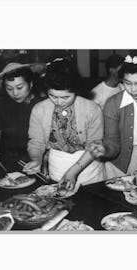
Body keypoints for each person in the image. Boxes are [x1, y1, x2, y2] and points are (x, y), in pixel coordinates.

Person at [23, 58, 105, 191]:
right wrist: (36, 159)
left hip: (88, 167)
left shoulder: (92, 109)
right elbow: (36, 142)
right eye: (53, 96)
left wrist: (72, 172)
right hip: (57, 167)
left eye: (65, 97)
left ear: (76, 90)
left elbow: (95, 145)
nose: (59, 102)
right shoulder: (39, 109)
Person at [0, 62, 44, 172]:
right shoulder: (0, 105)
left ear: (30, 84)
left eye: (20, 87)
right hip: (9, 161)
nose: (15, 93)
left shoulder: (43, 105)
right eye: (9, 89)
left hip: (39, 161)